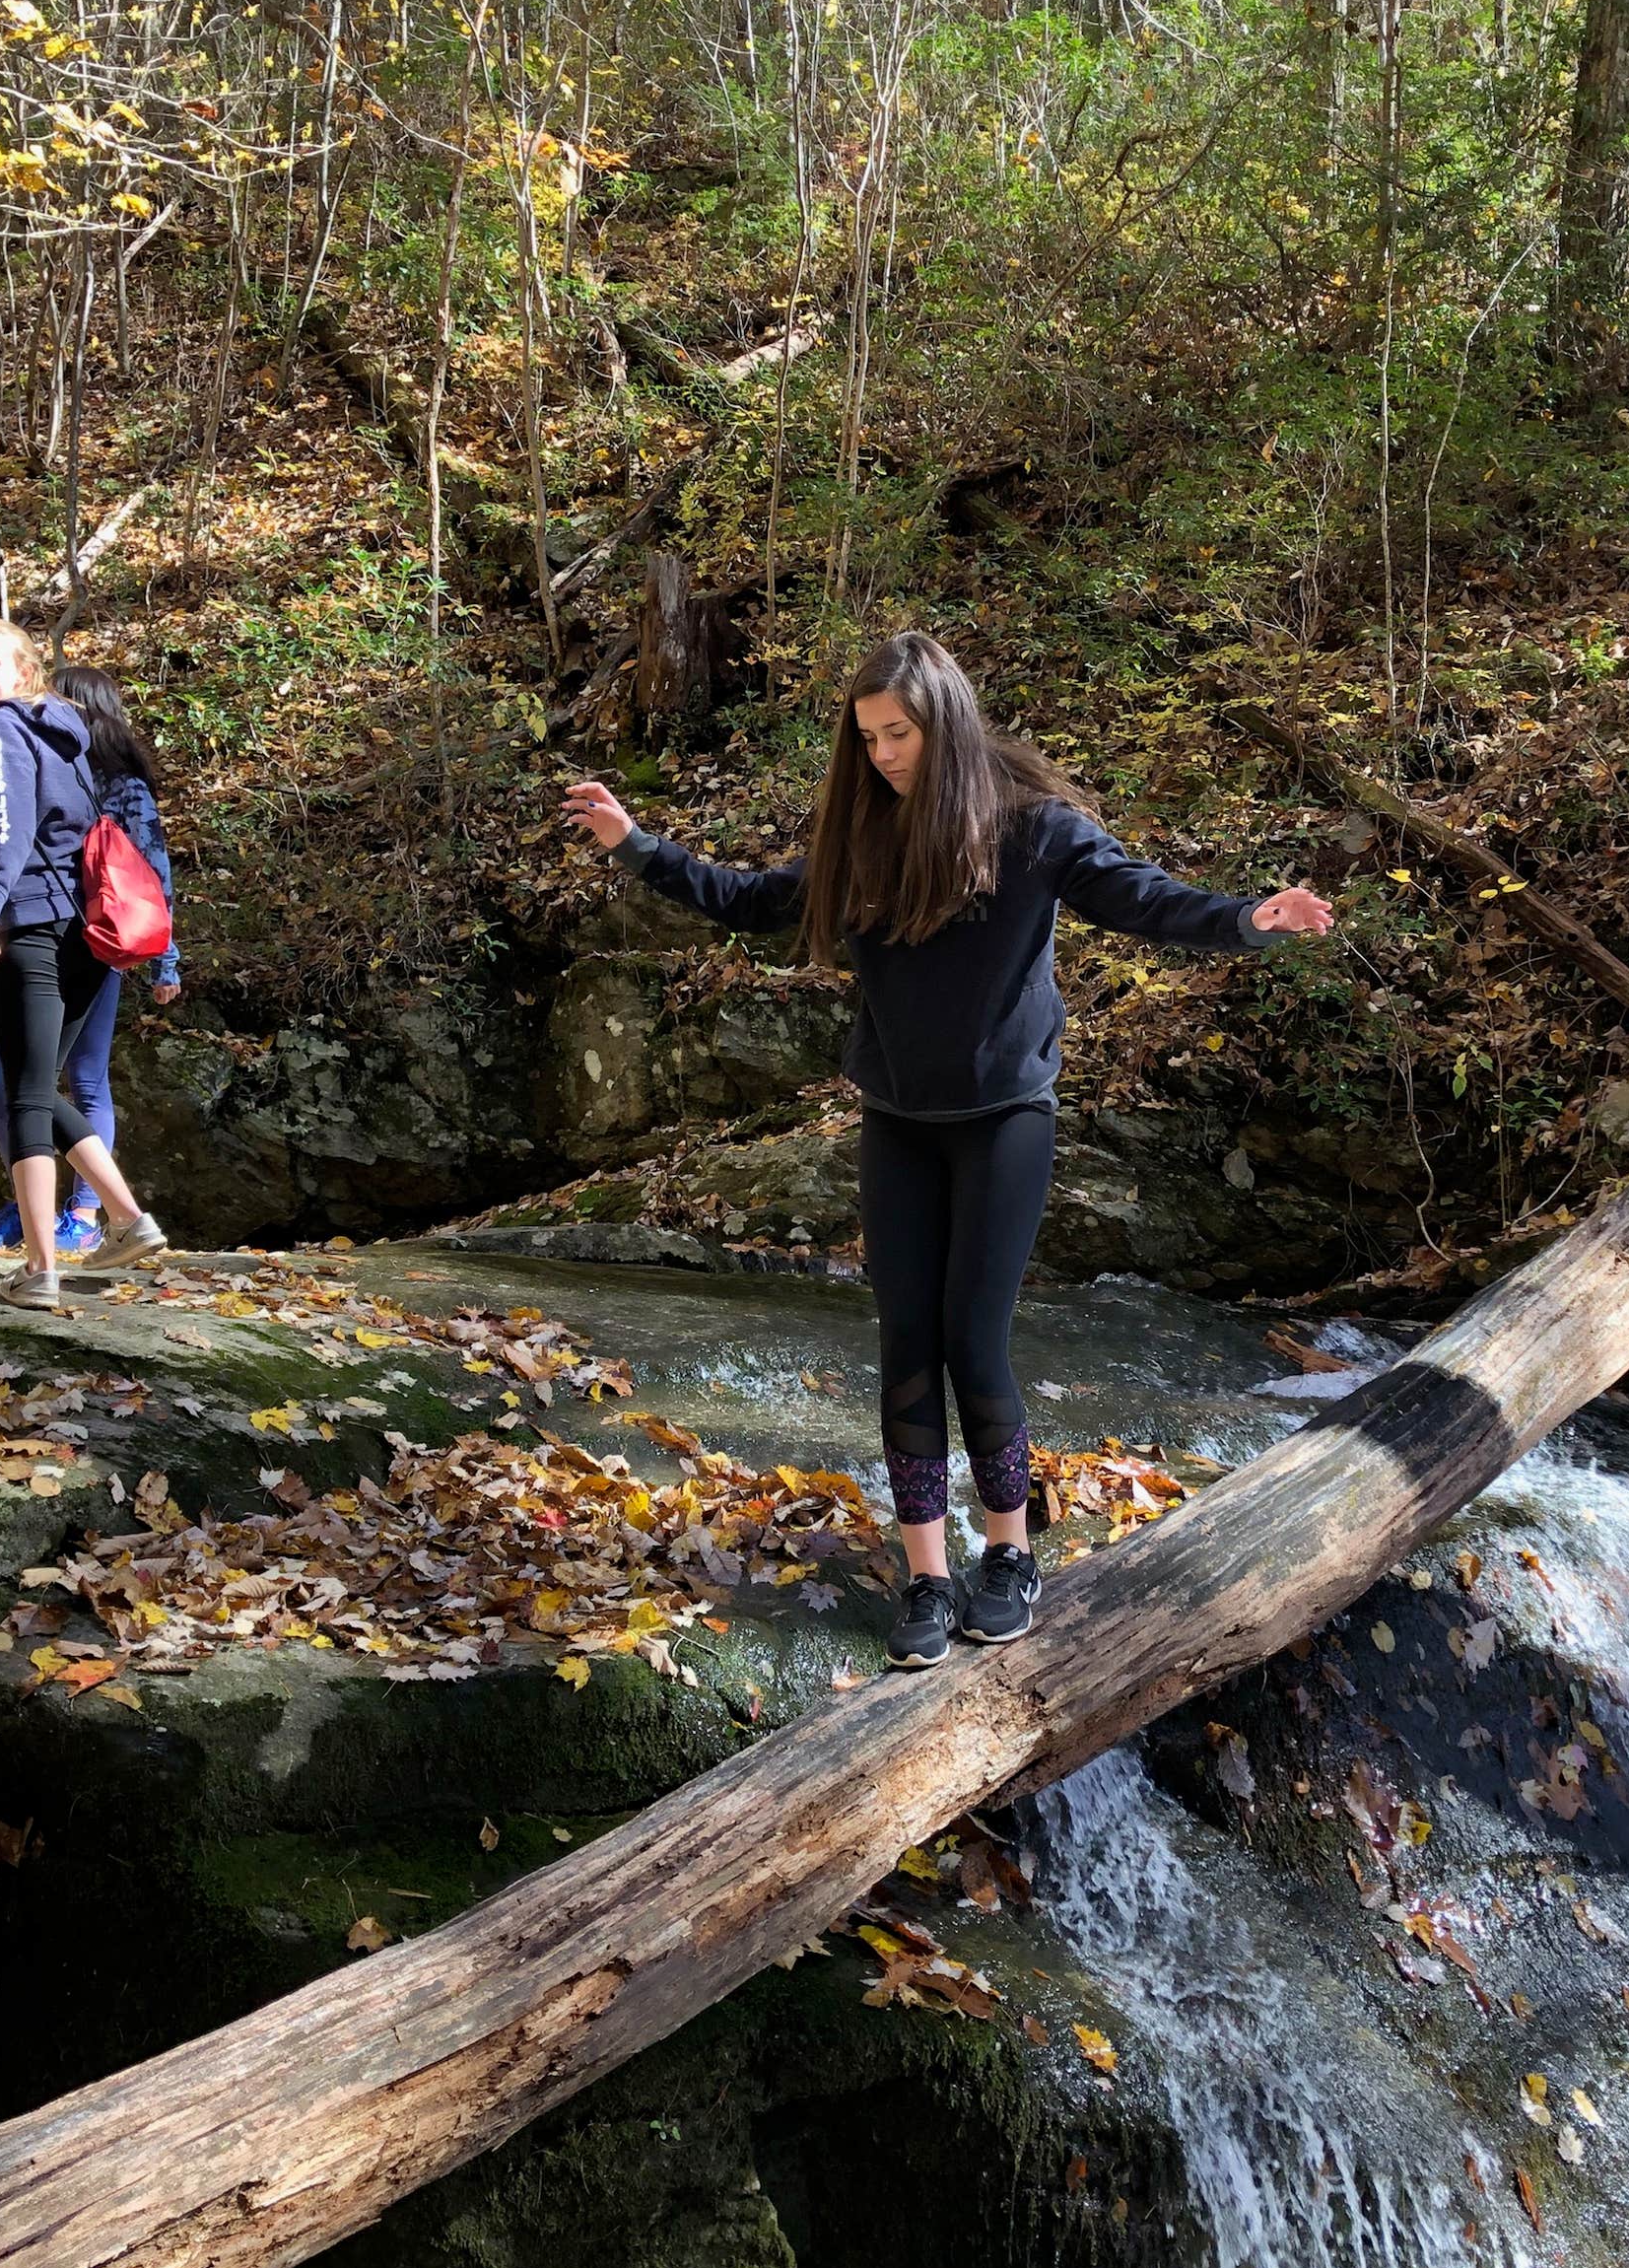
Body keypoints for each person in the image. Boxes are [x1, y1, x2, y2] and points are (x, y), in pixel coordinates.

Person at [565, 629, 1333, 1671]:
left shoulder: (1035, 834)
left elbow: (1145, 899)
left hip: (1005, 1122)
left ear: (947, 723)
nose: (883, 755)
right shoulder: (861, 844)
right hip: (898, 1124)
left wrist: (1251, 918)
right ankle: (929, 1575)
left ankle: (1007, 1555)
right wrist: (634, 845)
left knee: (975, 1342)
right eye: (869, 737)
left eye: (900, 734)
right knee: (905, 1346)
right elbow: (748, 900)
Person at [0, 614, 168, 1311]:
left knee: (23, 1094)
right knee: (36, 1087)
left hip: (36, 922)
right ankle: (130, 1220)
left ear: (22, 666)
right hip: (88, 932)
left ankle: (42, 1269)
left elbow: (7, 824)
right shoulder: (69, 732)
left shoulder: (5, 726)